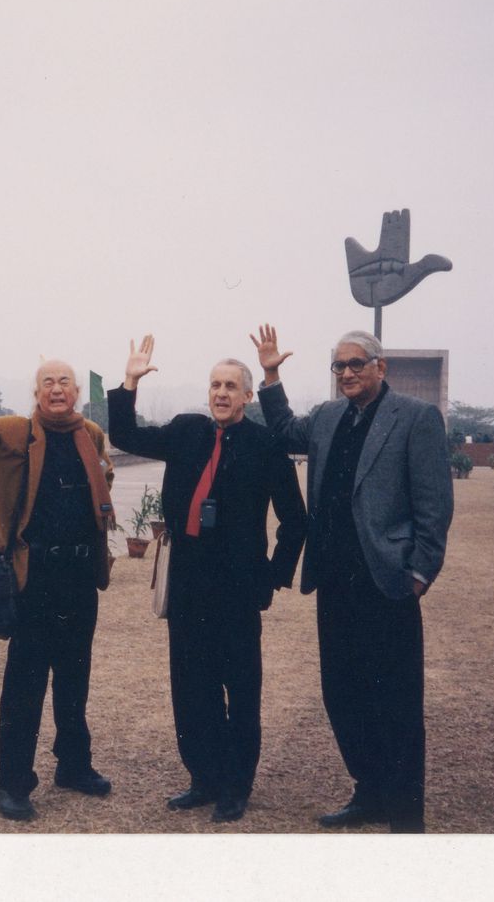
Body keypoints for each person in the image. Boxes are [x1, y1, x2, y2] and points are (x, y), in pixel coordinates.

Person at [250, 324, 453, 832]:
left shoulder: (415, 417)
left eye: (355, 364)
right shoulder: (326, 417)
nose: (346, 373)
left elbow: (434, 505)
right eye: (338, 366)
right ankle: (370, 791)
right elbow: (283, 429)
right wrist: (270, 374)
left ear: (380, 367)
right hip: (335, 582)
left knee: (397, 701)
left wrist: (420, 572)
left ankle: (404, 814)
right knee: (343, 693)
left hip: (386, 583)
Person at [107, 335, 305, 823]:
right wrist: (129, 381)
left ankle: (236, 786)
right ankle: (203, 777)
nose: (220, 393)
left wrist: (273, 577)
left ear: (247, 397)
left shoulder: (266, 447)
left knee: (240, 688)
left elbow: (296, 519)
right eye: (215, 384)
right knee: (191, 687)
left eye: (231, 386)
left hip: (238, 589)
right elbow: (125, 436)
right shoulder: (186, 430)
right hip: (188, 583)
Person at [0, 334, 117, 822]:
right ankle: (13, 783)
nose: (56, 389)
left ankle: (74, 765)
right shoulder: (10, 432)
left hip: (79, 576)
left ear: (77, 390)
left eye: (64, 381)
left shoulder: (92, 436)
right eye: (47, 382)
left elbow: (100, 486)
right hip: (32, 578)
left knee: (74, 677)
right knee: (25, 685)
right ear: (36, 392)